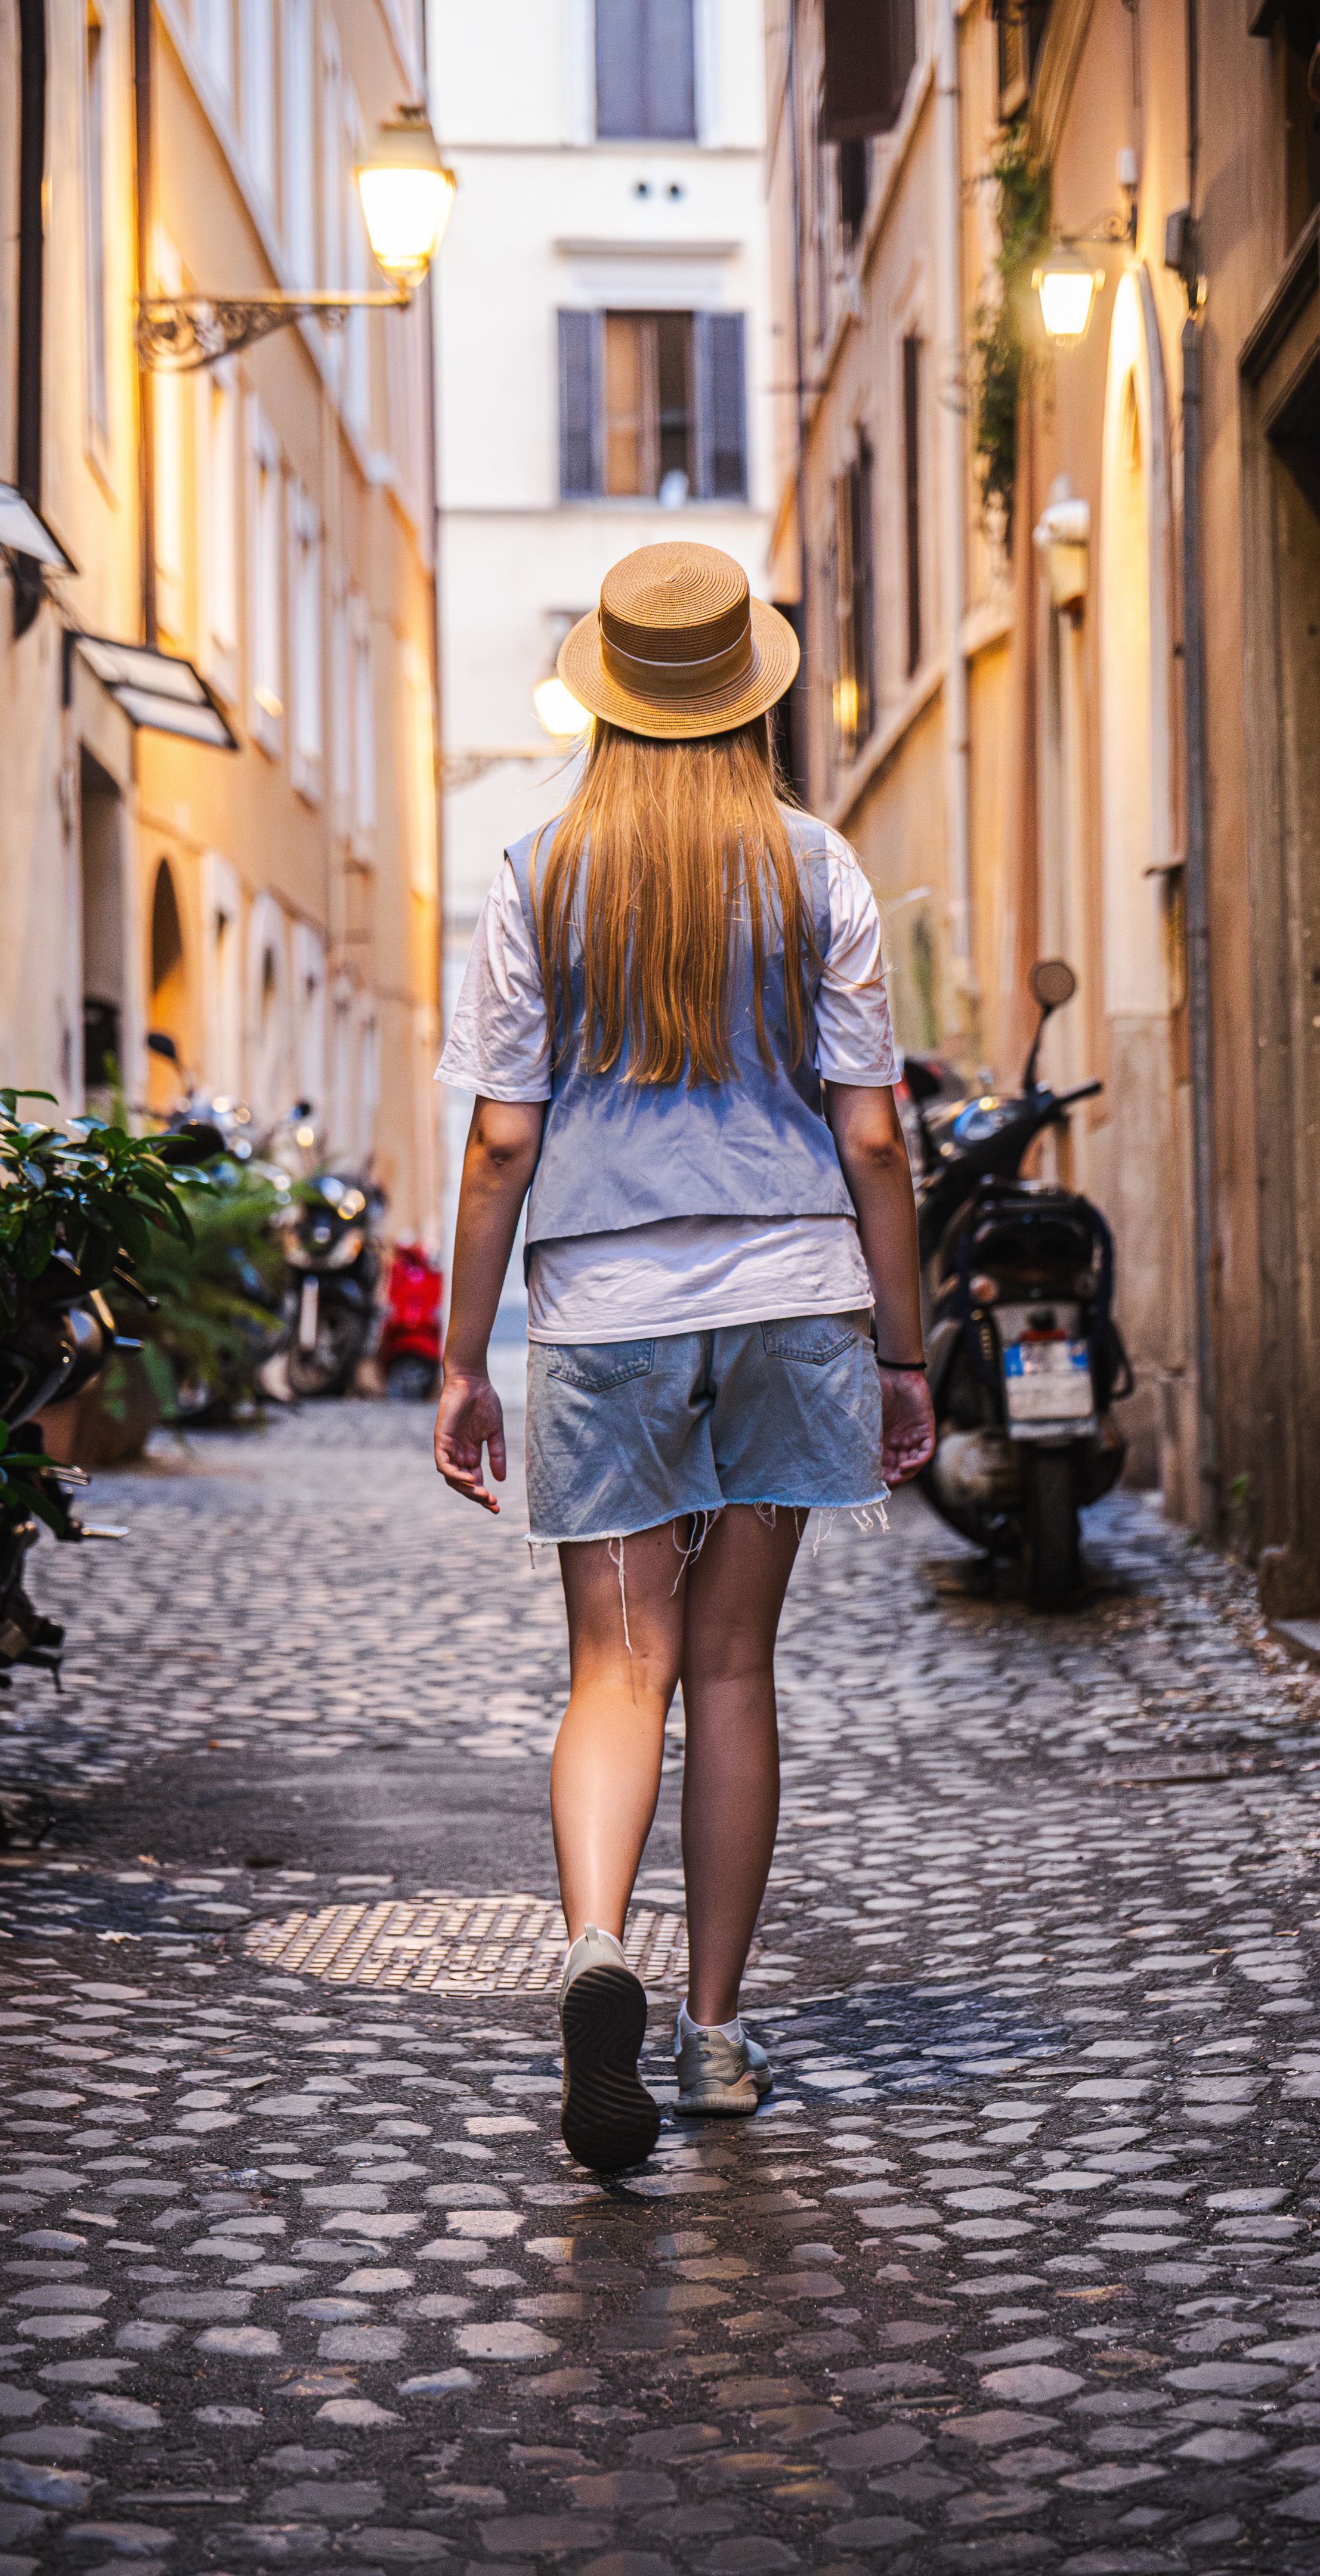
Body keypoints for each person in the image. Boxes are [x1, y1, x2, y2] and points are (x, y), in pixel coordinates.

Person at [433, 542, 934, 2174]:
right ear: (748, 694)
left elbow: (505, 1143)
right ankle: (712, 2035)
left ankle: (595, 1951)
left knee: (617, 1666)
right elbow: (872, 1139)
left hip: (604, 1312)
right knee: (731, 1672)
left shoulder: (530, 876)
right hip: (791, 1291)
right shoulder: (820, 871)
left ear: (604, 695)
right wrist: (905, 1350)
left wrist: (460, 1354)